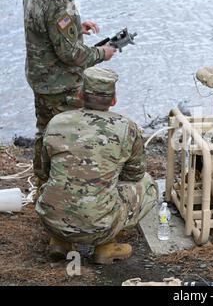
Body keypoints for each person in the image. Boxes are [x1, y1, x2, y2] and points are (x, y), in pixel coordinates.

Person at [36, 68, 158, 264]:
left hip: (52, 221)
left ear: (80, 95)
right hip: (100, 227)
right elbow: (135, 173)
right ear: (113, 100)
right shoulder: (126, 127)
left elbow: (42, 170)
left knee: (55, 181)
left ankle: (60, 241)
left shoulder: (56, 122)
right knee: (148, 184)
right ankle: (106, 246)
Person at [23, 0, 117, 191]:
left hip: (40, 77)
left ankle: (42, 183)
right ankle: (68, 192)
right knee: (71, 136)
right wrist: (103, 53)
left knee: (45, 130)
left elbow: (45, 27)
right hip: (60, 84)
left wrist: (75, 27)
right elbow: (70, 55)